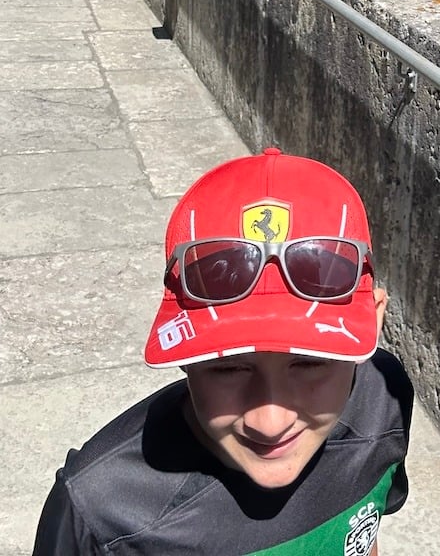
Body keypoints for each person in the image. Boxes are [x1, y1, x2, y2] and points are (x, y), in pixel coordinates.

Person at [33, 148, 413, 555]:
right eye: (228, 369)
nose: (270, 422)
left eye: (310, 363)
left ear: (373, 326)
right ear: (184, 354)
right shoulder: (100, 512)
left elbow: (363, 534)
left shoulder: (384, 399)